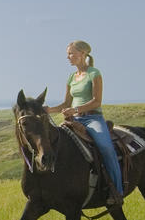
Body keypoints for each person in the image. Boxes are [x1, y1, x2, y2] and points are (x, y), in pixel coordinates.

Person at [46, 40, 124, 204]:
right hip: (74, 120)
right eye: (68, 54)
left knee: (106, 148)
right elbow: (66, 103)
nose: (68, 57)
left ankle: (117, 191)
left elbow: (97, 101)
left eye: (71, 53)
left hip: (92, 119)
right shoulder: (71, 77)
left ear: (83, 54)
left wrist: (75, 110)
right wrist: (49, 110)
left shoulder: (94, 73)